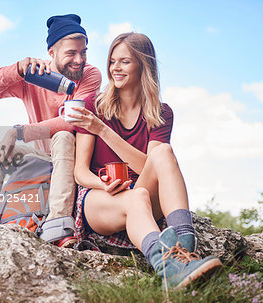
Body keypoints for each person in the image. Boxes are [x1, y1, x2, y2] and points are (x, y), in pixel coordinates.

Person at [71, 32, 222, 289]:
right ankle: (170, 265)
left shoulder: (161, 113)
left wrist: (104, 131)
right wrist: (103, 184)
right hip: (98, 198)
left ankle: (185, 249)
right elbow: (80, 173)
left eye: (125, 61)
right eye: (112, 61)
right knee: (136, 196)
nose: (115, 68)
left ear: (143, 65)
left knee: (162, 153)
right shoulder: (93, 105)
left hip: (140, 194)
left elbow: (147, 167)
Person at [0, 14, 102, 234]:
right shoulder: (34, 76)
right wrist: (17, 70)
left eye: (83, 52)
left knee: (63, 136)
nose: (79, 60)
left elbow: (72, 120)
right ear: (52, 53)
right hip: (40, 156)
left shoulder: (89, 75)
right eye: (71, 53)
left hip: (74, 157)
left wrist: (19, 132)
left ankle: (58, 224)